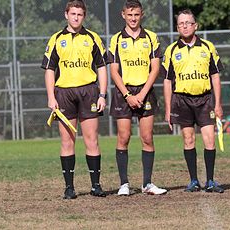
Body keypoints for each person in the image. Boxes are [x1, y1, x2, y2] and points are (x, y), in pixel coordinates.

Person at [41, 0, 107, 199]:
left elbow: (102, 67)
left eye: (80, 14)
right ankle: (69, 188)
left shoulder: (93, 38)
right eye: (73, 14)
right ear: (66, 15)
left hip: (89, 92)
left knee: (91, 140)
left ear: (83, 16)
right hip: (64, 94)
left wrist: (102, 94)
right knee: (67, 141)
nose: (76, 17)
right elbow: (49, 69)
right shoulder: (56, 39)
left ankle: (96, 185)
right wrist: (51, 97)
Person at [107, 0, 167, 196]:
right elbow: (114, 71)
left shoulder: (151, 37)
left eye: (137, 15)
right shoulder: (116, 39)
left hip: (145, 91)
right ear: (123, 15)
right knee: (123, 137)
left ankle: (147, 184)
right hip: (124, 93)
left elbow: (156, 68)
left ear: (142, 15)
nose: (133, 18)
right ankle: (124, 184)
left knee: (147, 138)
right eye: (129, 14)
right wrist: (127, 95)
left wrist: (141, 94)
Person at [162, 9, 224, 193]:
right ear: (177, 27)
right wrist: (168, 109)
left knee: (209, 140)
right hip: (182, 100)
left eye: (188, 23)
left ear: (195, 25)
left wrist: (218, 104)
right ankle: (194, 180)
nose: (185, 26)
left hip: (205, 100)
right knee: (188, 139)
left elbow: (215, 76)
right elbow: (167, 81)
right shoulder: (171, 50)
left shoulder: (207, 47)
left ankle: (211, 180)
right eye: (181, 23)